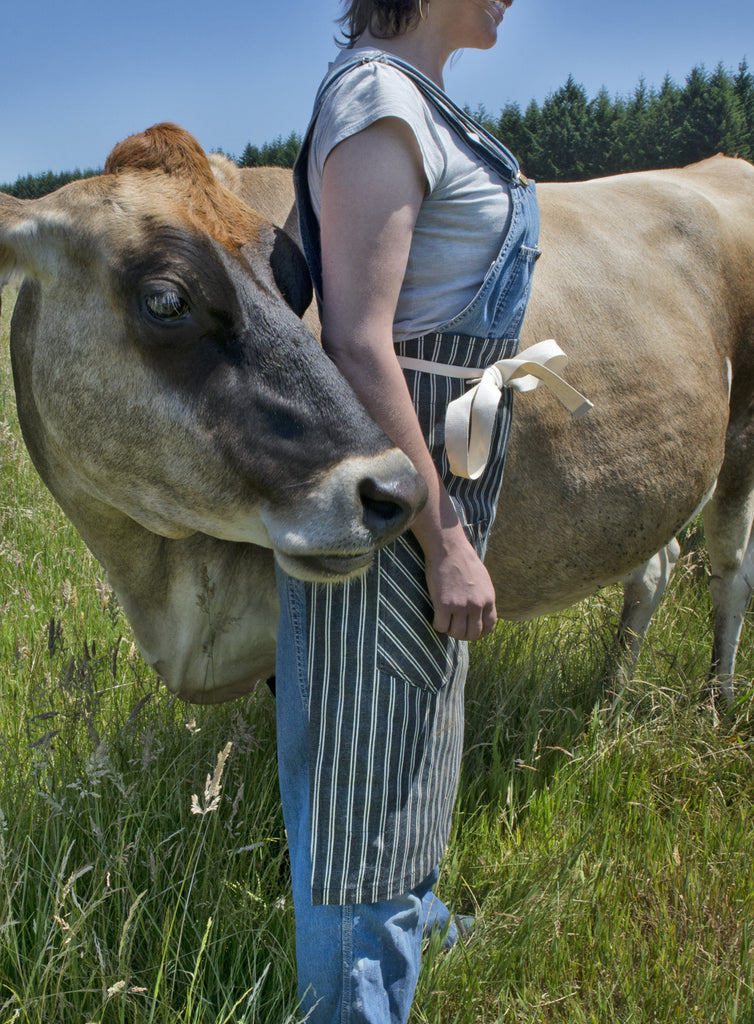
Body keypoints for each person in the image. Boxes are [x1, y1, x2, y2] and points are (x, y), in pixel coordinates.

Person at [275, 0, 539, 1020]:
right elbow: (358, 343)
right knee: (366, 745)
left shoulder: (416, 102)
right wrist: (446, 537)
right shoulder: (380, 102)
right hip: (391, 492)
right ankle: (356, 991)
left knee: (413, 715)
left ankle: (407, 914)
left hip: (429, 474)